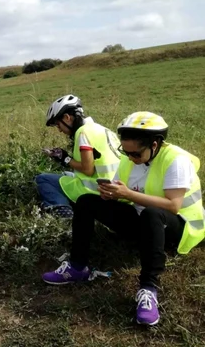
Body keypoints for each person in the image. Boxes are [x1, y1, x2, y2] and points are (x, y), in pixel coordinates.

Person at [42, 111, 204, 326]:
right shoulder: (129, 159)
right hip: (143, 222)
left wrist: (128, 194)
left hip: (178, 228)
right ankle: (78, 267)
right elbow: (123, 192)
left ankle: (148, 290)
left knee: (152, 213)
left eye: (135, 154)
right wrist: (109, 194)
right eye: (125, 153)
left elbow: (173, 206)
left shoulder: (176, 160)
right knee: (86, 202)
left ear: (154, 145)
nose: (130, 159)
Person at [35, 95, 121, 218]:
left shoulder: (83, 132)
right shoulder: (103, 129)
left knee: (43, 179)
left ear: (67, 117)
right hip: (116, 189)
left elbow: (88, 169)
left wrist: (65, 158)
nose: (59, 130)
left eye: (58, 125)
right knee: (65, 174)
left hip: (96, 191)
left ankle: (64, 215)